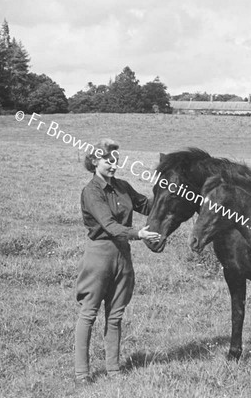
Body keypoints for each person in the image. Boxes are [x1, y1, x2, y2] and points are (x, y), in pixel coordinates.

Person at [74, 139, 161, 386]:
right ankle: (82, 373)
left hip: (123, 256)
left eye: (116, 161)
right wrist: (139, 234)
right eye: (107, 161)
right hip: (99, 256)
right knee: (89, 313)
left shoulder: (123, 186)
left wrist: (168, 193)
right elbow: (109, 225)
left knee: (115, 315)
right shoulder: (91, 192)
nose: (113, 165)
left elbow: (147, 205)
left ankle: (113, 370)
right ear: (94, 161)